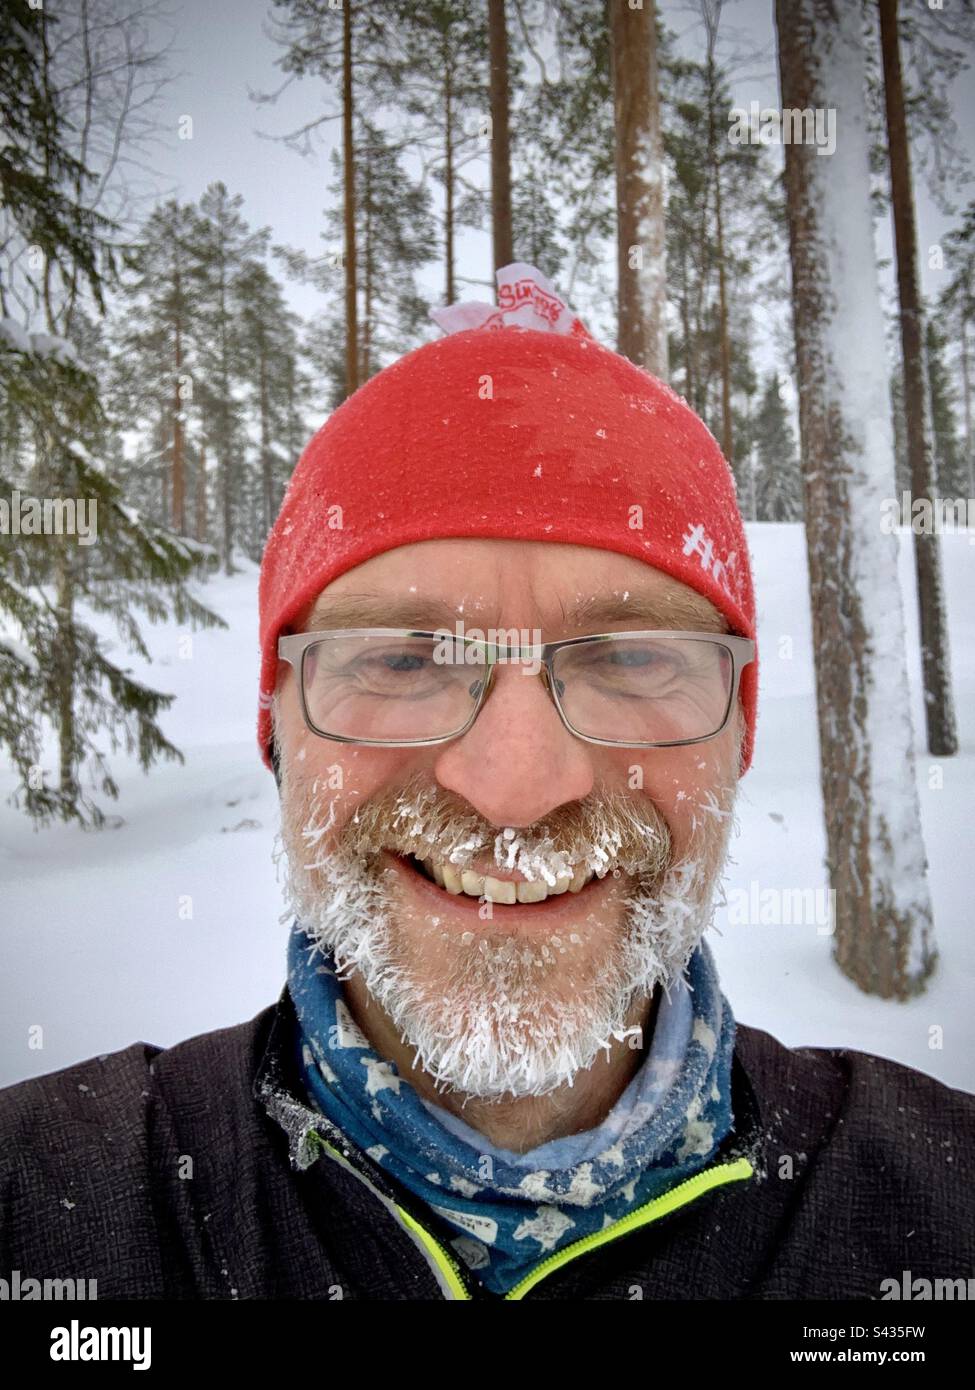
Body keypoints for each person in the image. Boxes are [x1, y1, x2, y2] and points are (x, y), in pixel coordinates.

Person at [1, 265, 971, 1302]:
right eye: (407, 658)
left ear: (735, 736)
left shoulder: (941, 1208)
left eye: (631, 657)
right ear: (277, 728)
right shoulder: (52, 1202)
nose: (516, 788)